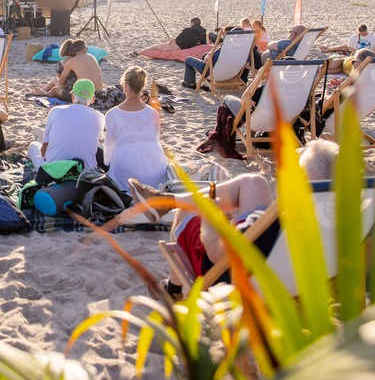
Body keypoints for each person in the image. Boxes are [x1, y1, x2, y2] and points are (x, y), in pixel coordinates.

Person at [132, 139, 339, 292]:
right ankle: (164, 201)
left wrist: (210, 220)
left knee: (190, 209)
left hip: (233, 281)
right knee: (254, 182)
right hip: (296, 280)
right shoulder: (344, 226)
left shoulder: (269, 228)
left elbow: (216, 254)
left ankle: (173, 290)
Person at [103, 67, 169, 191]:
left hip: (126, 172)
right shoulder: (153, 113)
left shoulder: (112, 114)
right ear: (142, 86)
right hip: (155, 168)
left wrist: (107, 163)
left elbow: (108, 146)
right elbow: (155, 140)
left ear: (125, 84)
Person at [27, 79, 105, 169]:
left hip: (53, 169)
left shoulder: (56, 111)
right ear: (92, 99)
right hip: (85, 170)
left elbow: (43, 150)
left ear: (72, 96)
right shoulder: (99, 117)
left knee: (34, 145)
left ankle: (39, 138)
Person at [138, 18, 209, 55]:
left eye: (190, 23)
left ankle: (139, 53)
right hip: (188, 47)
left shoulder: (187, 30)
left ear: (192, 23)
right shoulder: (203, 32)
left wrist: (172, 40)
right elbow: (203, 44)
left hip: (179, 46)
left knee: (156, 46)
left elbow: (178, 39)